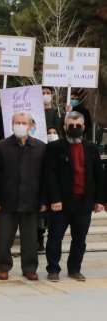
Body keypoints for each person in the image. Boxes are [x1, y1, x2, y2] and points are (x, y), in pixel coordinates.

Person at [44, 111, 105, 282]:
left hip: (84, 202)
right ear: (65, 127)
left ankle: (74, 269)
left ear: (84, 127)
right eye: (71, 125)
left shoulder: (92, 148)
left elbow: (99, 175)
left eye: (78, 125)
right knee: (55, 237)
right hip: (61, 203)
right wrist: (55, 199)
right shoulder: (55, 147)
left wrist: (100, 200)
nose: (75, 128)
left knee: (80, 239)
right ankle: (53, 269)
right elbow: (50, 175)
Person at [0, 111, 47, 281]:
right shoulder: (1, 146)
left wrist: (44, 200)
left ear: (31, 126)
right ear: (12, 124)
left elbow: (45, 177)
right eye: (17, 122)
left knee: (30, 239)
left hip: (31, 201)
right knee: (4, 238)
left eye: (24, 122)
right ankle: (4, 267)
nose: (20, 125)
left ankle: (29, 268)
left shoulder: (41, 147)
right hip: (7, 201)